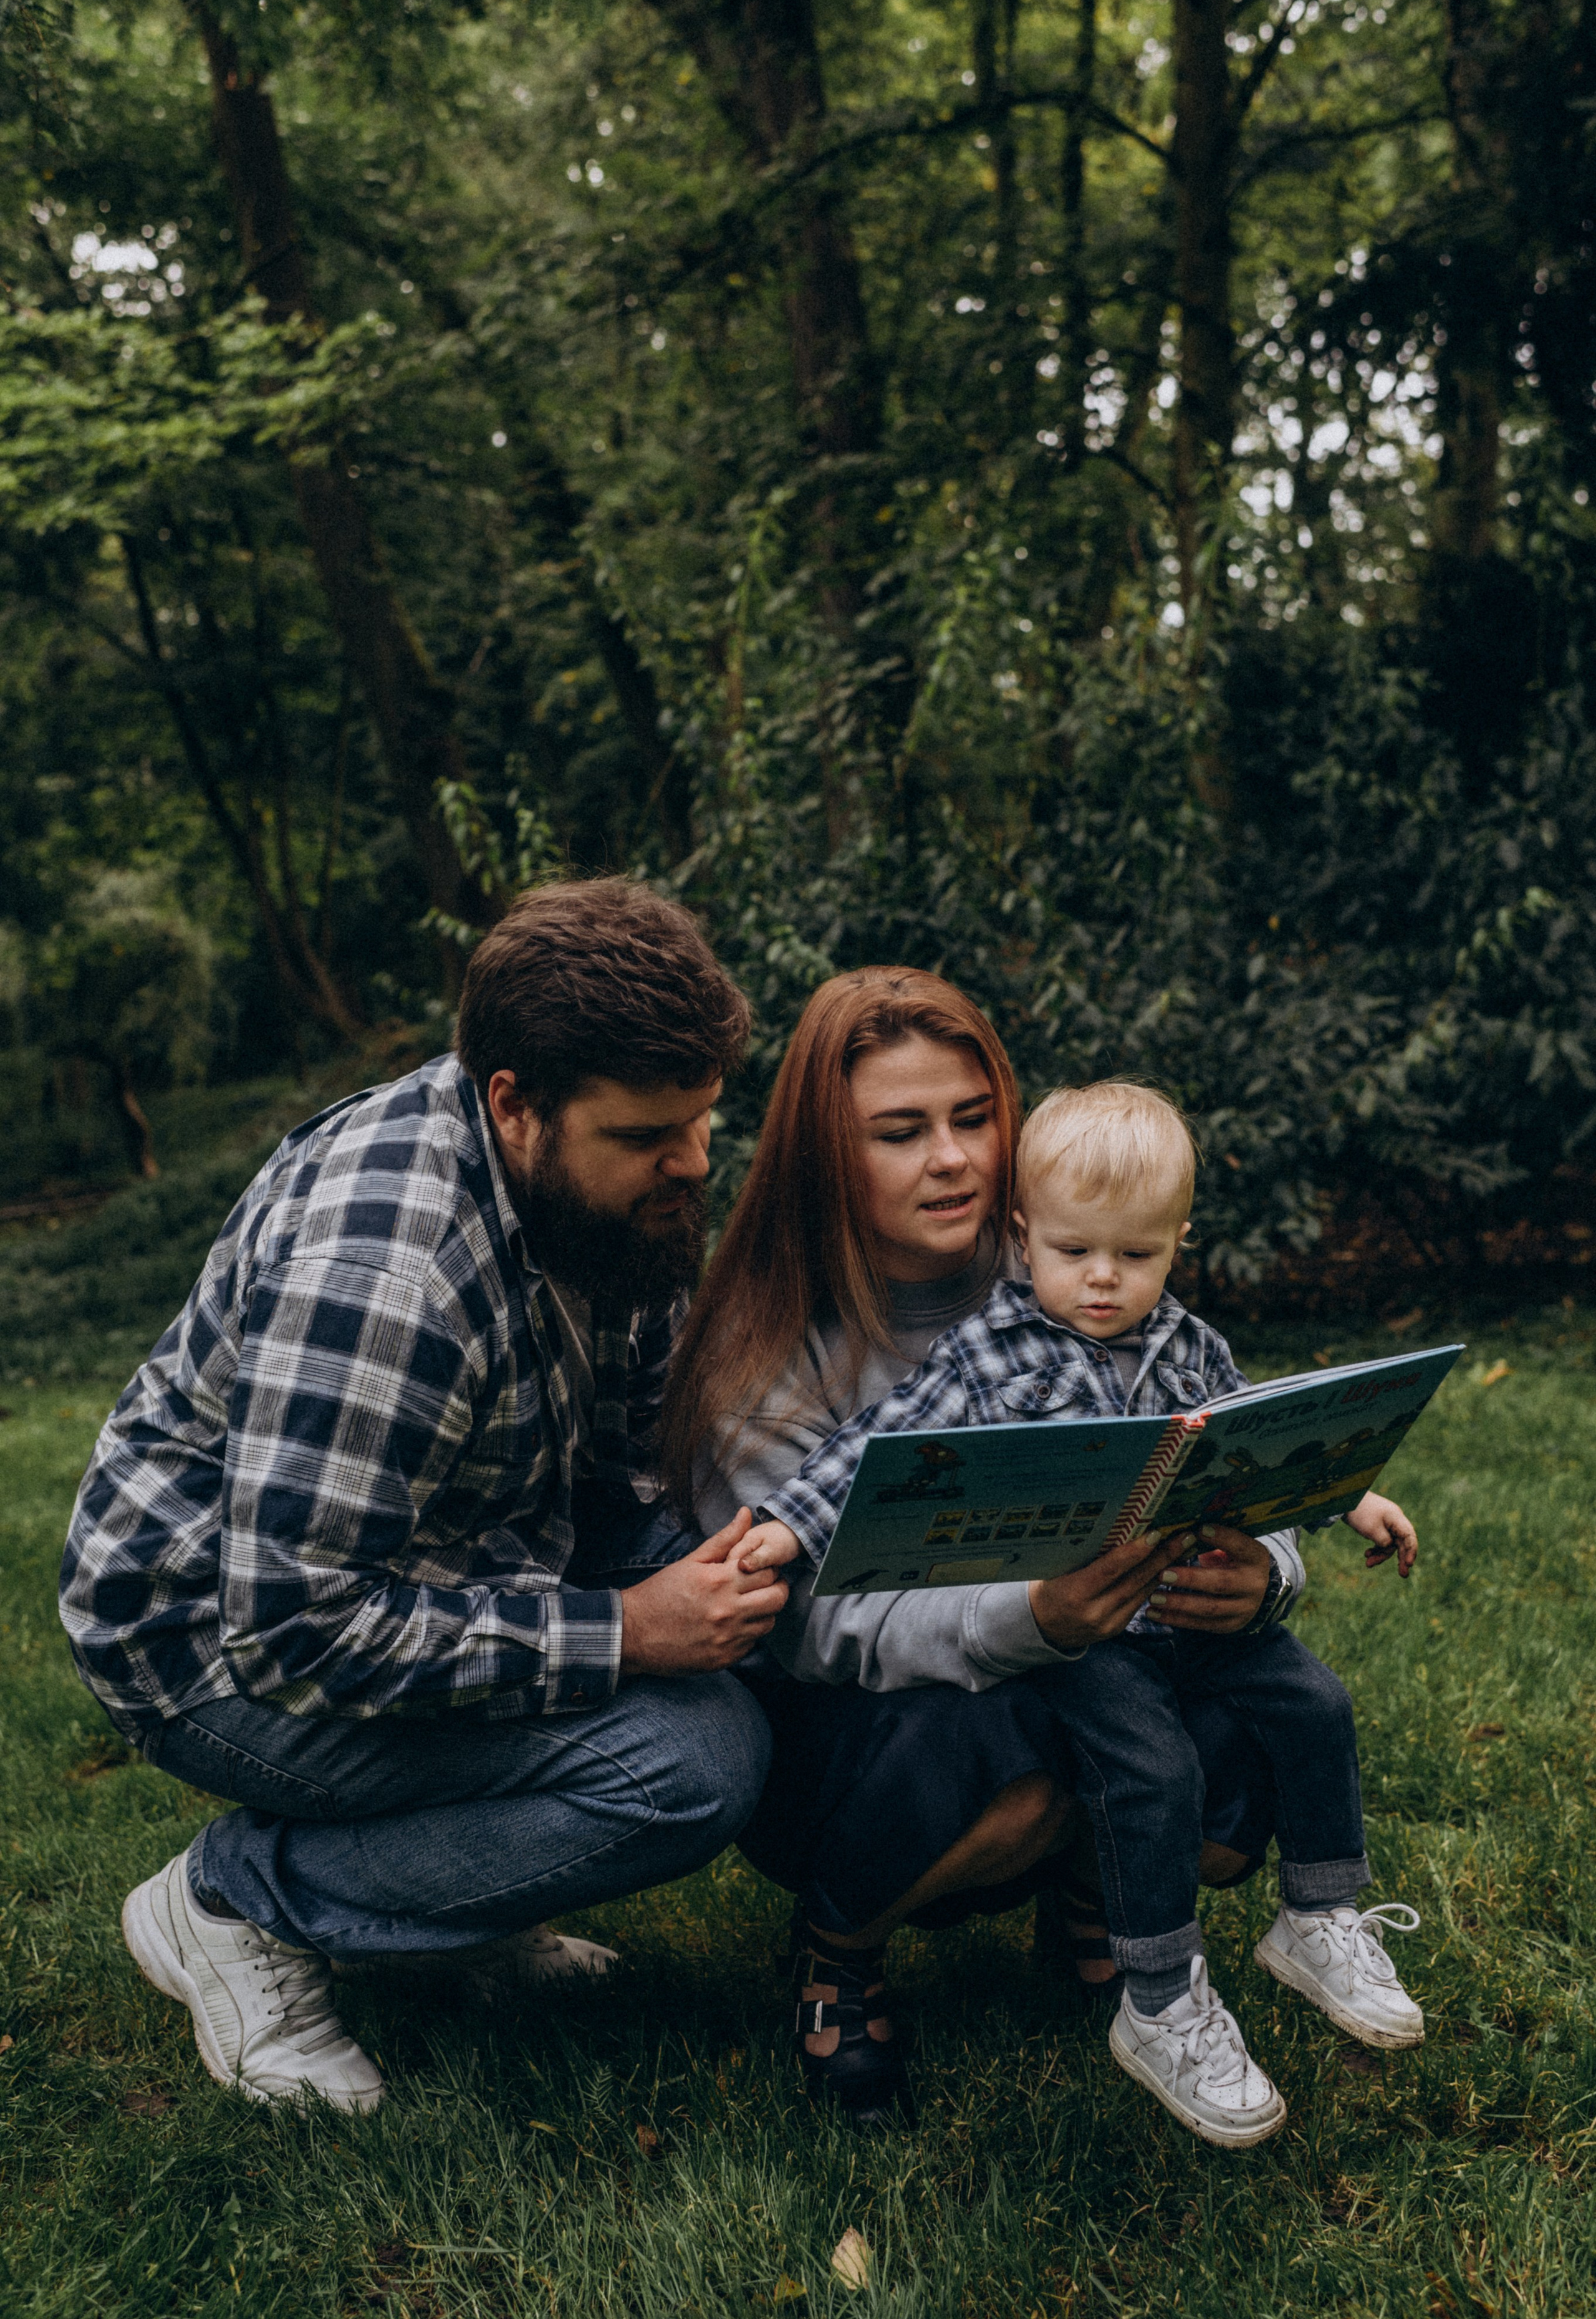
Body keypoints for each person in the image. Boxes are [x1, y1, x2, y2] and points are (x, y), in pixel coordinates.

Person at [59, 880, 787, 2113]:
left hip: (456, 1559)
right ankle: (236, 1904)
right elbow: (296, 1626)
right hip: (209, 1642)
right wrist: (628, 1630)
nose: (694, 1161)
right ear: (515, 1104)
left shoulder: (604, 1193)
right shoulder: (388, 1264)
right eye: (647, 1137)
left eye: (704, 1119)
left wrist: (759, 1544)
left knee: (765, 1638)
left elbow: (629, 1462)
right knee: (688, 1763)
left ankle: (455, 1918)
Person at [741, 1080, 1425, 2148]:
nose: (1104, 1281)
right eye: (1074, 1253)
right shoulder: (985, 1352)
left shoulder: (1186, 1346)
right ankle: (1159, 1999)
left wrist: (1349, 1496)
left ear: (1177, 1245)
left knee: (1314, 1700)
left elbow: (1262, 1439)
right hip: (1083, 1641)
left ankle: (1321, 1916)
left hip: (1185, 1618)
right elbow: (873, 1456)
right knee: (1151, 1766)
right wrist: (788, 1526)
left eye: (1136, 1255)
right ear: (1024, 1237)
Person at [662, 974, 1289, 2125]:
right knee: (1014, 1731)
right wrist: (1030, 1622)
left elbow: (1214, 1458)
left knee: (1248, 1736)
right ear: (824, 1157)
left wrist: (1255, 1578)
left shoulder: (1069, 1275)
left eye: (972, 1118)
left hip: (1098, 1661)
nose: (951, 1158)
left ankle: (1095, 1899)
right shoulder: (763, 1361)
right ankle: (839, 1951)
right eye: (900, 1133)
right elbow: (803, 1626)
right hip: (860, 1723)